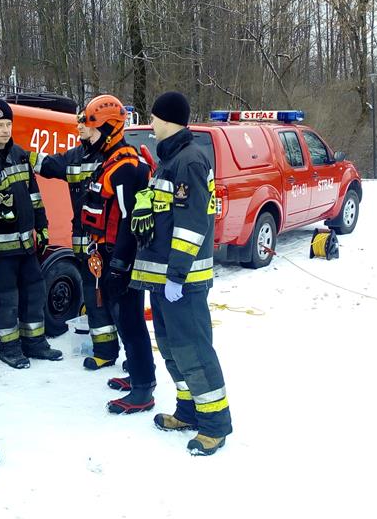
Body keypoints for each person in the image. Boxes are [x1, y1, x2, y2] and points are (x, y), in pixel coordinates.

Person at [129, 91, 232, 456]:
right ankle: (188, 411)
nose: (150, 123)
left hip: (182, 282)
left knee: (194, 350)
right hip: (163, 280)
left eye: (154, 118)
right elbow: (166, 213)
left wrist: (176, 275)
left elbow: (191, 226)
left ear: (169, 119)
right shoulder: (169, 160)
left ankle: (214, 425)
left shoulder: (188, 161)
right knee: (173, 349)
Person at [0, 98, 63, 368]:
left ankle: (35, 343)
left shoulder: (19, 155)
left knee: (34, 292)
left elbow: (34, 196)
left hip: (26, 245)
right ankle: (9, 349)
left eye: (8, 124)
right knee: (6, 299)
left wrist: (42, 227)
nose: (5, 130)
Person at [74, 94, 157, 414]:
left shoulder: (125, 167)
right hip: (108, 252)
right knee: (124, 319)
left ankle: (142, 390)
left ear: (109, 128)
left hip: (121, 256)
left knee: (131, 319)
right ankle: (138, 373)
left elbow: (127, 221)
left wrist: (120, 267)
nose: (87, 137)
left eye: (92, 130)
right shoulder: (110, 158)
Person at [30, 111, 120, 364]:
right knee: (94, 298)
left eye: (86, 122)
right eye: (79, 121)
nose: (79, 126)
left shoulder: (117, 158)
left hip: (109, 245)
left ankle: (130, 354)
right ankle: (104, 352)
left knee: (117, 301)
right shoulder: (76, 156)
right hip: (85, 246)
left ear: (103, 126)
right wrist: (18, 154)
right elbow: (48, 165)